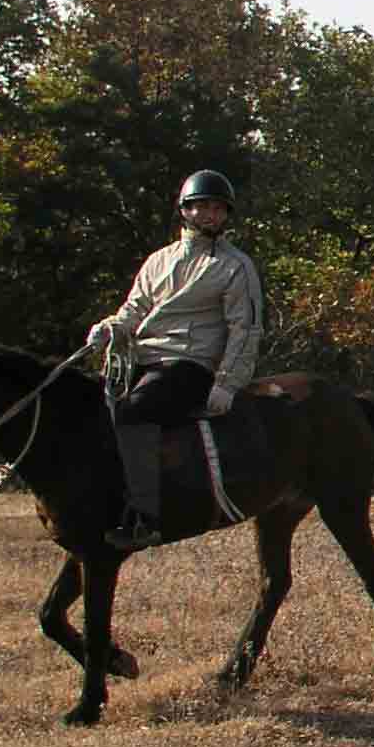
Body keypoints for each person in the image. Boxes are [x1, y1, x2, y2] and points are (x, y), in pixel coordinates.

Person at [86, 168, 265, 550]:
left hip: (188, 363)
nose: (210, 215)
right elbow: (133, 310)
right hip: (142, 359)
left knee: (133, 411)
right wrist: (110, 328)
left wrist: (227, 383)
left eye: (217, 209)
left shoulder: (235, 266)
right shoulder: (157, 261)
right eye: (201, 207)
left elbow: (245, 329)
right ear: (185, 211)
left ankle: (145, 518)